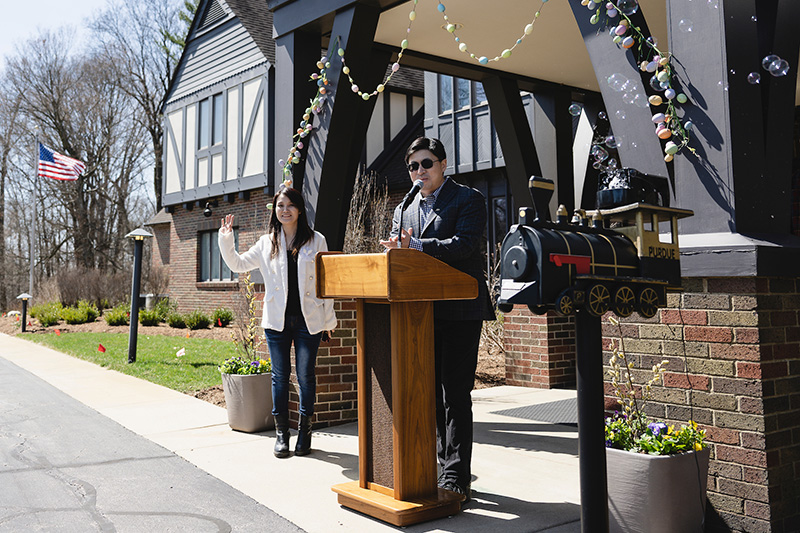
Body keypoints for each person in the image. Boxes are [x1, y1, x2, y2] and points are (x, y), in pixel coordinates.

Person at [380, 137, 494, 502]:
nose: (419, 172)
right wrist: (398, 252)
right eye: (413, 166)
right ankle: (440, 466)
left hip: (460, 309)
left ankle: (456, 477)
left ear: (443, 164)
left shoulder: (468, 199)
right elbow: (405, 257)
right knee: (428, 393)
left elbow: (464, 245)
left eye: (426, 164)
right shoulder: (405, 208)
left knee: (454, 393)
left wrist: (415, 247)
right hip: (421, 312)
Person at [219, 187, 336, 458]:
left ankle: (304, 431)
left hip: (309, 321)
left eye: (290, 205)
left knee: (306, 376)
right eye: (280, 205)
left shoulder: (316, 240)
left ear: (299, 209)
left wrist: (329, 321)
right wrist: (227, 240)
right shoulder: (266, 242)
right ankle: (281, 433)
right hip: (276, 323)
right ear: (275, 210)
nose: (285, 210)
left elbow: (326, 283)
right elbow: (237, 264)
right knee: (280, 377)